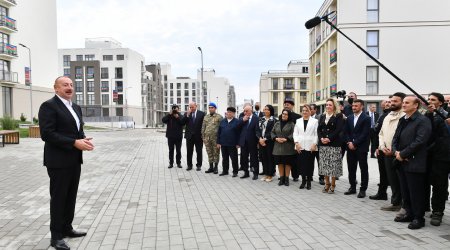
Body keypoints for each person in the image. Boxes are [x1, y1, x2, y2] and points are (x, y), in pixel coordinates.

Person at [38, 76, 94, 250]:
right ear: (56, 88)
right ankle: (56, 237)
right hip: (58, 161)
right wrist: (73, 142)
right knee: (59, 198)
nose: (69, 87)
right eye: (65, 85)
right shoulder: (49, 106)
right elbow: (47, 134)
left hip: (74, 159)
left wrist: (82, 139)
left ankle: (67, 228)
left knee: (70, 197)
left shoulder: (75, 107)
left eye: (71, 85)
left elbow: (77, 129)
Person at [392, 96, 432, 230]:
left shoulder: (422, 120)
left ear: (416, 106)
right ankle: (409, 213)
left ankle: (418, 218)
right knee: (405, 191)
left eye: (407, 103)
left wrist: (403, 154)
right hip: (401, 162)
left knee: (416, 192)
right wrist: (396, 152)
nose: (403, 105)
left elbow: (420, 141)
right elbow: (395, 137)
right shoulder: (403, 119)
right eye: (403, 102)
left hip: (415, 161)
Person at [378, 92, 406, 213]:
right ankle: (395, 202)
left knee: (402, 181)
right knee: (392, 179)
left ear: (402, 102)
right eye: (391, 101)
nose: (392, 103)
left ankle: (405, 204)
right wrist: (382, 146)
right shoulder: (388, 116)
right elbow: (381, 133)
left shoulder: (404, 116)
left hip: (399, 154)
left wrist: (394, 151)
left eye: (395, 101)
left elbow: (404, 137)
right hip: (386, 152)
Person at [425, 92, 450, 226]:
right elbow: (426, 130)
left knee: (440, 185)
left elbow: (439, 133)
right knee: (431, 183)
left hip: (442, 156)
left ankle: (438, 212)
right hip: (430, 155)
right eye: (429, 99)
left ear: (440, 103)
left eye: (433, 99)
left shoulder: (445, 116)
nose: (430, 101)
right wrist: (429, 114)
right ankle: (430, 207)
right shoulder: (428, 114)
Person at [344, 99, 371, 198]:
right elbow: (346, 132)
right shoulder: (349, 118)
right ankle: (352, 187)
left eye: (356, 106)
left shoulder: (366, 118)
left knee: (363, 169)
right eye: (353, 106)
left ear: (362, 106)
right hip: (350, 148)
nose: (354, 107)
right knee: (351, 168)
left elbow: (365, 134)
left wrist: (354, 143)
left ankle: (363, 189)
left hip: (361, 148)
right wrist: (349, 142)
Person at [317, 99, 345, 193]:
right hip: (323, 144)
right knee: (325, 166)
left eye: (330, 105)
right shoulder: (322, 116)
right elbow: (319, 129)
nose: (328, 106)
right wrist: (321, 138)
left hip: (334, 143)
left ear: (334, 106)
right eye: (327, 105)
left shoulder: (338, 115)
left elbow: (338, 129)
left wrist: (329, 138)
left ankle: (333, 184)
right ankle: (327, 183)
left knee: (333, 166)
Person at [369, 98, 391, 200]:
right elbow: (377, 132)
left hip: (389, 149)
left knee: (389, 173)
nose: (388, 103)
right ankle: (382, 193)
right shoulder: (383, 115)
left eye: (390, 102)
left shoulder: (390, 115)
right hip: (381, 147)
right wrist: (377, 147)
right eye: (386, 102)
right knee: (382, 172)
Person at [294, 104, 318, 190]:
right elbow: (295, 133)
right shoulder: (298, 121)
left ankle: (308, 182)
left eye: (306, 110)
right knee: (301, 164)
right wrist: (296, 143)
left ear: (310, 111)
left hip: (310, 146)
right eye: (303, 110)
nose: (304, 112)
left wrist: (314, 144)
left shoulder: (314, 121)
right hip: (300, 145)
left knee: (309, 165)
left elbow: (316, 134)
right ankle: (303, 181)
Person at [271, 109, 296, 186]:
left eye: (286, 114)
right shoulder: (277, 123)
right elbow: (272, 132)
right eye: (283, 114)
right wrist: (276, 138)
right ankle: (281, 178)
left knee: (288, 163)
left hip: (288, 147)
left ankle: (287, 178)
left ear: (288, 116)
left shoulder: (292, 124)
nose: (284, 115)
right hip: (278, 147)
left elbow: (294, 133)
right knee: (280, 163)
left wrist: (287, 138)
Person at [217, 107, 241, 177]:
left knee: (234, 159)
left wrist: (238, 143)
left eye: (230, 112)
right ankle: (225, 171)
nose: (228, 113)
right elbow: (219, 132)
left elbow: (239, 134)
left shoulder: (237, 122)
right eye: (228, 112)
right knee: (225, 158)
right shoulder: (223, 121)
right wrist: (218, 142)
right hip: (223, 143)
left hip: (233, 144)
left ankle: (235, 172)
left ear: (233, 114)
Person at [255, 105, 276, 182]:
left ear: (271, 111)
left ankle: (270, 175)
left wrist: (265, 139)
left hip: (269, 142)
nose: (265, 111)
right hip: (261, 141)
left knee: (270, 158)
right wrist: (260, 138)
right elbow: (257, 130)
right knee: (263, 158)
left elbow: (273, 131)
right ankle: (266, 174)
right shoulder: (260, 119)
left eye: (267, 109)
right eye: (265, 109)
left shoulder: (274, 120)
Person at [238, 105, 259, 179]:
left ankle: (255, 173)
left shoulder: (256, 118)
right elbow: (237, 127)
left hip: (252, 142)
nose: (245, 112)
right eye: (244, 111)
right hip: (243, 142)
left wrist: (257, 142)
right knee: (244, 158)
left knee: (254, 158)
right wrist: (243, 120)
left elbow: (257, 131)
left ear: (251, 111)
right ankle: (246, 172)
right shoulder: (242, 118)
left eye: (246, 111)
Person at [202, 102, 223, 174]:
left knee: (216, 153)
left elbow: (222, 129)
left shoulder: (219, 117)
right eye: (209, 108)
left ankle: (216, 167)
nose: (210, 109)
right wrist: (203, 138)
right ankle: (211, 167)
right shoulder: (206, 117)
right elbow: (203, 127)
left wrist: (220, 140)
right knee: (209, 152)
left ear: (215, 108)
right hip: (207, 138)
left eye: (212, 108)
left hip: (216, 139)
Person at [162, 104, 186, 168]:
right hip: (170, 136)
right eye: (173, 108)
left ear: (178, 109)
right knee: (171, 150)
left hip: (178, 136)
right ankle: (171, 163)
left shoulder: (180, 115)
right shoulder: (169, 116)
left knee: (178, 150)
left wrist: (177, 117)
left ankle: (178, 163)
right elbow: (163, 120)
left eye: (176, 108)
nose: (175, 110)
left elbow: (183, 123)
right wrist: (169, 114)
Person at [283, 98, 301, 182]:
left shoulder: (298, 117)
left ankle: (295, 176)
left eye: (288, 104)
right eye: (285, 103)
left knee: (295, 160)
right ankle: (284, 176)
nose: (286, 105)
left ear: (292, 106)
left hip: (294, 141)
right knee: (284, 159)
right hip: (283, 142)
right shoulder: (282, 115)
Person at [183, 102, 205, 171]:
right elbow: (182, 122)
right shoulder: (187, 114)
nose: (191, 108)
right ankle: (189, 165)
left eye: (192, 107)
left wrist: (203, 135)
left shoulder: (202, 114)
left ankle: (199, 165)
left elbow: (204, 125)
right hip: (189, 136)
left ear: (196, 106)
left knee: (199, 151)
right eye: (190, 107)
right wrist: (187, 115)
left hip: (198, 136)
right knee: (189, 151)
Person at [310, 103, 324, 185]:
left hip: (318, 143)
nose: (310, 110)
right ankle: (310, 176)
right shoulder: (306, 118)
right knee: (310, 161)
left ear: (315, 110)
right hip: (309, 144)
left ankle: (321, 178)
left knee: (320, 161)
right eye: (309, 109)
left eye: (311, 109)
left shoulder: (320, 117)